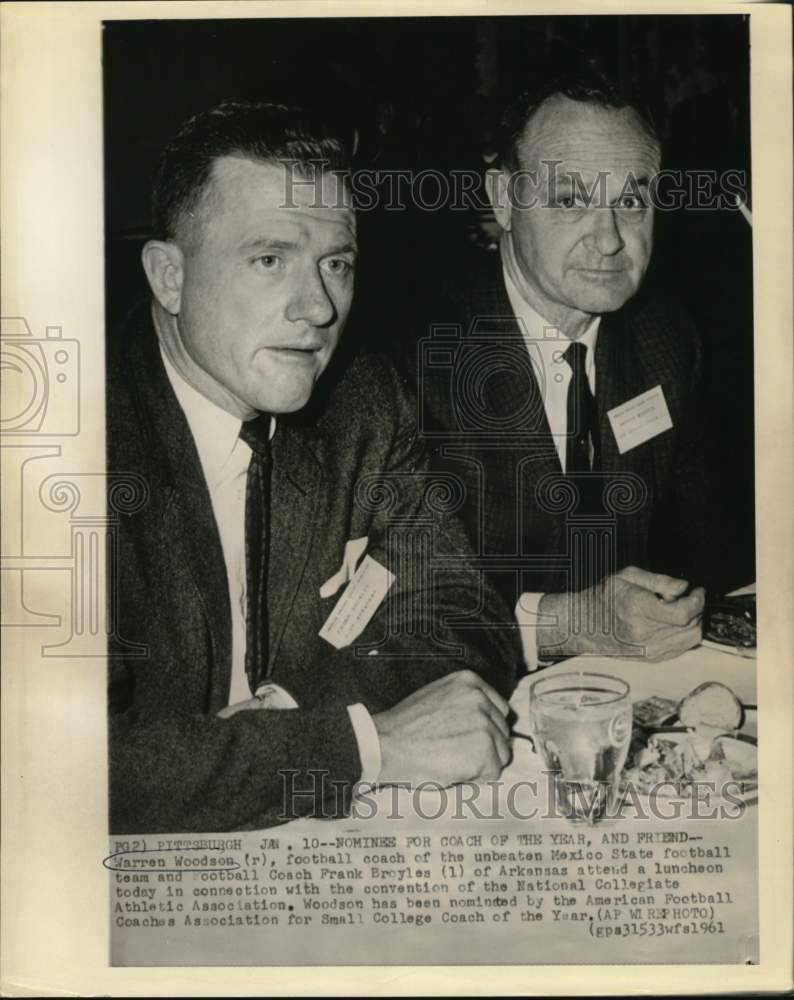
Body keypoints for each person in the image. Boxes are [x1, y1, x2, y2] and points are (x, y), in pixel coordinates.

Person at [107, 101, 519, 835]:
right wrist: (360, 744)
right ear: (168, 276)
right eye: (271, 259)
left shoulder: (361, 400)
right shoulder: (60, 445)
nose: (319, 307)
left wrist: (292, 711)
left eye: (337, 264)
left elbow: (468, 619)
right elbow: (64, 768)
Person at [417, 70, 713, 671]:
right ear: (503, 199)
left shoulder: (669, 340)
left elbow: (705, 548)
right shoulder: (410, 360)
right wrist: (565, 624)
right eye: (571, 200)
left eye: (631, 202)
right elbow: (394, 606)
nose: (608, 240)